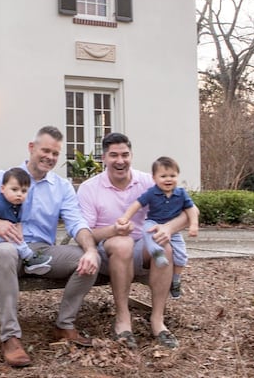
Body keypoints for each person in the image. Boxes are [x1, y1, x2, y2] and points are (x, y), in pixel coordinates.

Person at [0, 126, 100, 367]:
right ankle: (10, 337)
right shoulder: (4, 178)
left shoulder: (61, 187)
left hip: (40, 252)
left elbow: (77, 223)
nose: (50, 157)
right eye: (45, 150)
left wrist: (91, 249)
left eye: (55, 153)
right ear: (31, 148)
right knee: (5, 251)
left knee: (89, 259)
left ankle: (64, 325)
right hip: (6, 249)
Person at [77, 133, 192, 350]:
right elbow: (86, 233)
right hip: (108, 251)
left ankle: (158, 320)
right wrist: (114, 230)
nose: (120, 160)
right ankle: (123, 319)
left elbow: (188, 212)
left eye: (125, 154)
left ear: (131, 155)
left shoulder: (149, 181)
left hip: (143, 246)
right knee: (123, 243)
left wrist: (168, 227)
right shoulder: (90, 188)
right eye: (113, 155)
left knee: (163, 247)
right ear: (103, 158)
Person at [116, 156, 199, 298]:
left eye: (172, 176)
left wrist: (193, 224)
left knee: (181, 254)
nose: (168, 179)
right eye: (163, 176)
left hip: (173, 228)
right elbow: (137, 205)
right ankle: (157, 253)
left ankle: (176, 280)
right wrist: (125, 217)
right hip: (153, 223)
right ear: (154, 178)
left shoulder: (181, 194)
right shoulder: (152, 192)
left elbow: (191, 209)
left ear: (177, 176)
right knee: (149, 234)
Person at [0, 167, 53, 275]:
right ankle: (29, 259)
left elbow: (17, 223)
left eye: (24, 191)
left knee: (14, 235)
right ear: (2, 189)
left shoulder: (17, 205)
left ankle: (30, 262)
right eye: (14, 190)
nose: (19, 194)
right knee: (10, 235)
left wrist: (19, 235)